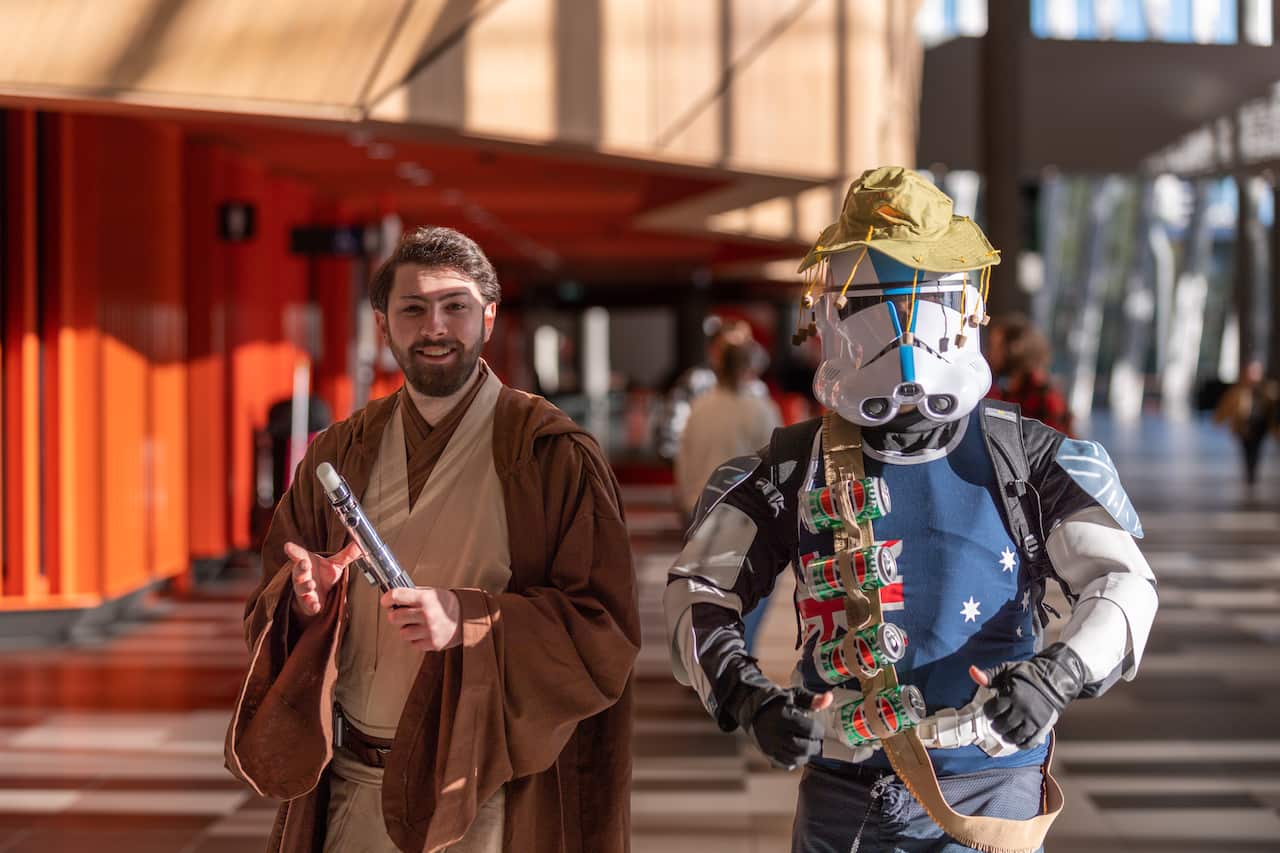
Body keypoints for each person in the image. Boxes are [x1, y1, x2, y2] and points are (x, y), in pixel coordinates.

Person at [663, 167, 1158, 853]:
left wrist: (1058, 673)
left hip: (991, 785)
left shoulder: (1029, 455)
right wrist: (750, 697)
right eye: (872, 297)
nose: (898, 324)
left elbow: (1125, 583)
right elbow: (700, 588)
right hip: (845, 792)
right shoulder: (792, 465)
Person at [225, 227, 640, 853]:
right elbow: (271, 605)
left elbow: (603, 630)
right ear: (384, 324)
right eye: (413, 309)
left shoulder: (549, 454)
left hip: (482, 790)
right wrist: (311, 601)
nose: (435, 327)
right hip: (352, 781)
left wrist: (469, 620)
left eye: (456, 307)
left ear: (489, 317)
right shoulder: (343, 449)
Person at [674, 335, 782, 651]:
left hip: (701, 512)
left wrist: (685, 506)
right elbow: (775, 468)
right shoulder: (760, 410)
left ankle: (706, 657)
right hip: (746, 518)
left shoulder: (699, 409)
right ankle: (736, 659)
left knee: (706, 593)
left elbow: (684, 463)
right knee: (749, 594)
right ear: (748, 368)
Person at [986, 314, 1073, 435]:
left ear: (1014, 350)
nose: (989, 353)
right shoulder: (1001, 390)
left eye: (996, 347)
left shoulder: (1047, 400)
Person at [1214, 359, 1278, 487]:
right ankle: (1249, 472)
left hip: (1260, 425)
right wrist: (1218, 420)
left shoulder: (1268, 389)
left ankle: (1252, 472)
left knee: (1256, 449)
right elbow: (1226, 406)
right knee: (1246, 449)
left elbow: (1273, 406)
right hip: (1243, 425)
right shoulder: (1238, 390)